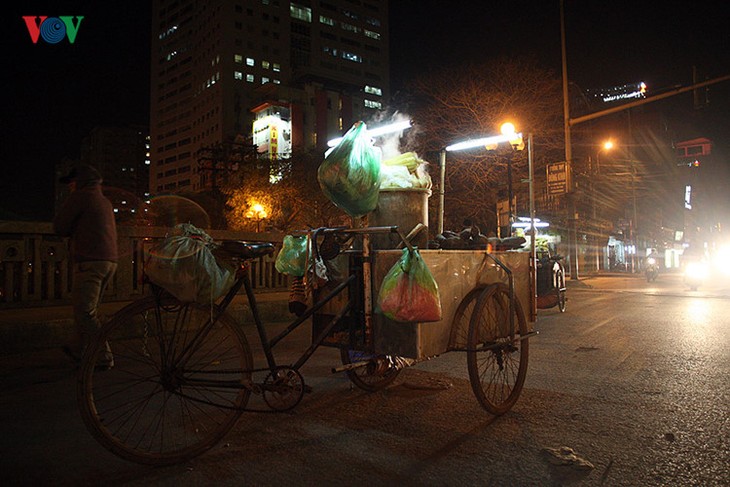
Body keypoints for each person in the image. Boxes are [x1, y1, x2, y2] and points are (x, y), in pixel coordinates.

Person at [54, 164, 118, 369]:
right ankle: (76, 347)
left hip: (89, 261)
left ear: (79, 181)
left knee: (84, 313)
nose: (70, 187)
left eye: (72, 182)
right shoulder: (104, 201)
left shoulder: (81, 196)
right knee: (89, 310)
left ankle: (104, 356)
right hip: (109, 261)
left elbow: (60, 226)